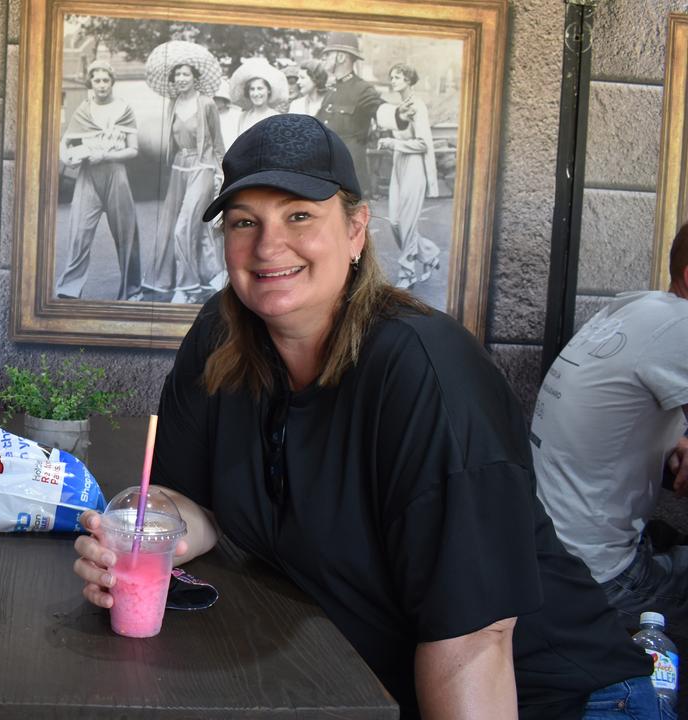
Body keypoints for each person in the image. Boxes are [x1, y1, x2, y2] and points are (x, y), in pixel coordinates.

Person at [72, 113, 660, 719]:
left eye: (299, 215)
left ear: (356, 230)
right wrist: (145, 539)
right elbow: (191, 501)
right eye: (245, 222)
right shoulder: (221, 336)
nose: (268, 246)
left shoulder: (426, 373)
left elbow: (475, 643)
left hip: (554, 697)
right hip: (365, 680)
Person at [533, 222, 688, 635]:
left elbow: (620, 413)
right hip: (600, 578)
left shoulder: (637, 310)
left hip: (550, 552)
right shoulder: (682, 327)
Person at [55, 61, 142, 301]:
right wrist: (72, 156)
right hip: (88, 175)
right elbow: (68, 144)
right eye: (97, 80)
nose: (102, 85)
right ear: (90, 83)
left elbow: (133, 149)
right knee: (78, 231)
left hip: (116, 173)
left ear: (112, 82)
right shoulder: (83, 110)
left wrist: (106, 155)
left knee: (126, 232)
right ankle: (69, 289)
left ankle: (132, 290)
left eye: (106, 80)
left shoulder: (124, 109)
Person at [144, 56, 226, 304]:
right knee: (179, 227)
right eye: (177, 75)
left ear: (195, 78)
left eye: (185, 74)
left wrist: (221, 174)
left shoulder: (207, 103)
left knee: (183, 227)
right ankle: (212, 275)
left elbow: (218, 143)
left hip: (203, 167)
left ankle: (185, 286)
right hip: (179, 169)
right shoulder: (173, 103)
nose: (180, 79)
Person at [316, 32, 413, 197]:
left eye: (328, 54)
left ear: (340, 57)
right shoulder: (331, 91)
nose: (324, 58)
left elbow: (377, 108)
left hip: (349, 178)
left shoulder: (362, 89)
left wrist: (398, 115)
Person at [378, 63, 441, 290]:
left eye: (398, 77)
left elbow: (423, 143)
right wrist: (390, 143)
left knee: (407, 222)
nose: (393, 80)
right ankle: (430, 254)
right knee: (395, 221)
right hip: (399, 164)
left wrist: (395, 143)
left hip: (414, 166)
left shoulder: (418, 106)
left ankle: (407, 273)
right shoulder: (400, 107)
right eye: (392, 76)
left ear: (408, 80)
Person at [229, 59, 288, 137]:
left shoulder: (276, 118)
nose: (256, 94)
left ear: (269, 90)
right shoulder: (243, 117)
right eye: (252, 89)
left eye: (260, 88)